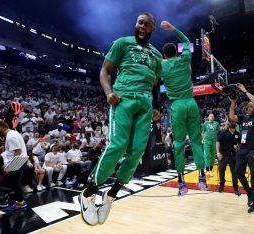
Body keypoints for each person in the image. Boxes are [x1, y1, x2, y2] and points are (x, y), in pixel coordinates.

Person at [79, 12, 162, 226]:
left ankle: (112, 195)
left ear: (153, 28)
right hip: (122, 98)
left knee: (137, 151)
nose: (142, 26)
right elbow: (105, 71)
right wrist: (108, 93)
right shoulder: (122, 43)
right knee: (118, 145)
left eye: (147, 24)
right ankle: (88, 192)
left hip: (145, 103)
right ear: (136, 24)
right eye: (139, 22)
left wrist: (156, 106)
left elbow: (156, 85)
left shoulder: (156, 55)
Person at [160, 20, 208, 196]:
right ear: (176, 52)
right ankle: (202, 177)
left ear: (165, 55)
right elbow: (187, 41)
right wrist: (172, 27)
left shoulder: (162, 65)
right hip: (191, 103)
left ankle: (181, 182)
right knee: (196, 141)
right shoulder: (185, 58)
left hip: (177, 106)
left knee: (179, 143)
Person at [229, 83, 254, 214]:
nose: (249, 107)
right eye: (248, 106)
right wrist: (233, 102)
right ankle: (249, 193)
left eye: (251, 106)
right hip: (242, 150)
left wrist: (245, 91)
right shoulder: (244, 118)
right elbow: (232, 117)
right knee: (238, 172)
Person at [0, 121, 28, 211]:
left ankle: (19, 203)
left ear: (1, 128)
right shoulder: (13, 133)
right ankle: (4, 201)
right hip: (20, 160)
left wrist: (11, 166)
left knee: (14, 184)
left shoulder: (10, 136)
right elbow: (12, 151)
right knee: (8, 182)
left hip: (17, 161)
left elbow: (18, 151)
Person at [216, 121, 241, 196]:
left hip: (233, 156)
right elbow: (218, 142)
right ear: (228, 127)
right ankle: (221, 185)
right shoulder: (224, 133)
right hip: (223, 155)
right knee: (221, 170)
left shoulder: (237, 134)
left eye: (234, 128)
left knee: (234, 172)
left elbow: (240, 144)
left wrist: (237, 147)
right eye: (231, 129)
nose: (232, 130)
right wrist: (218, 153)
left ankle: (235, 188)